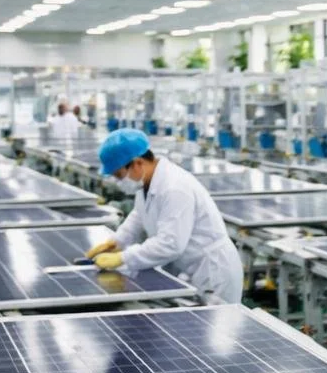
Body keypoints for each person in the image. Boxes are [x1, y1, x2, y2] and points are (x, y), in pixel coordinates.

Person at [84, 128, 243, 302]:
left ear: (137, 163)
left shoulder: (174, 188)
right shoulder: (147, 184)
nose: (117, 181)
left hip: (213, 272)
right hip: (191, 267)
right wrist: (117, 242)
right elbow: (139, 215)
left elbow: (170, 243)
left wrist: (123, 258)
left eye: (118, 174)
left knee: (215, 327)